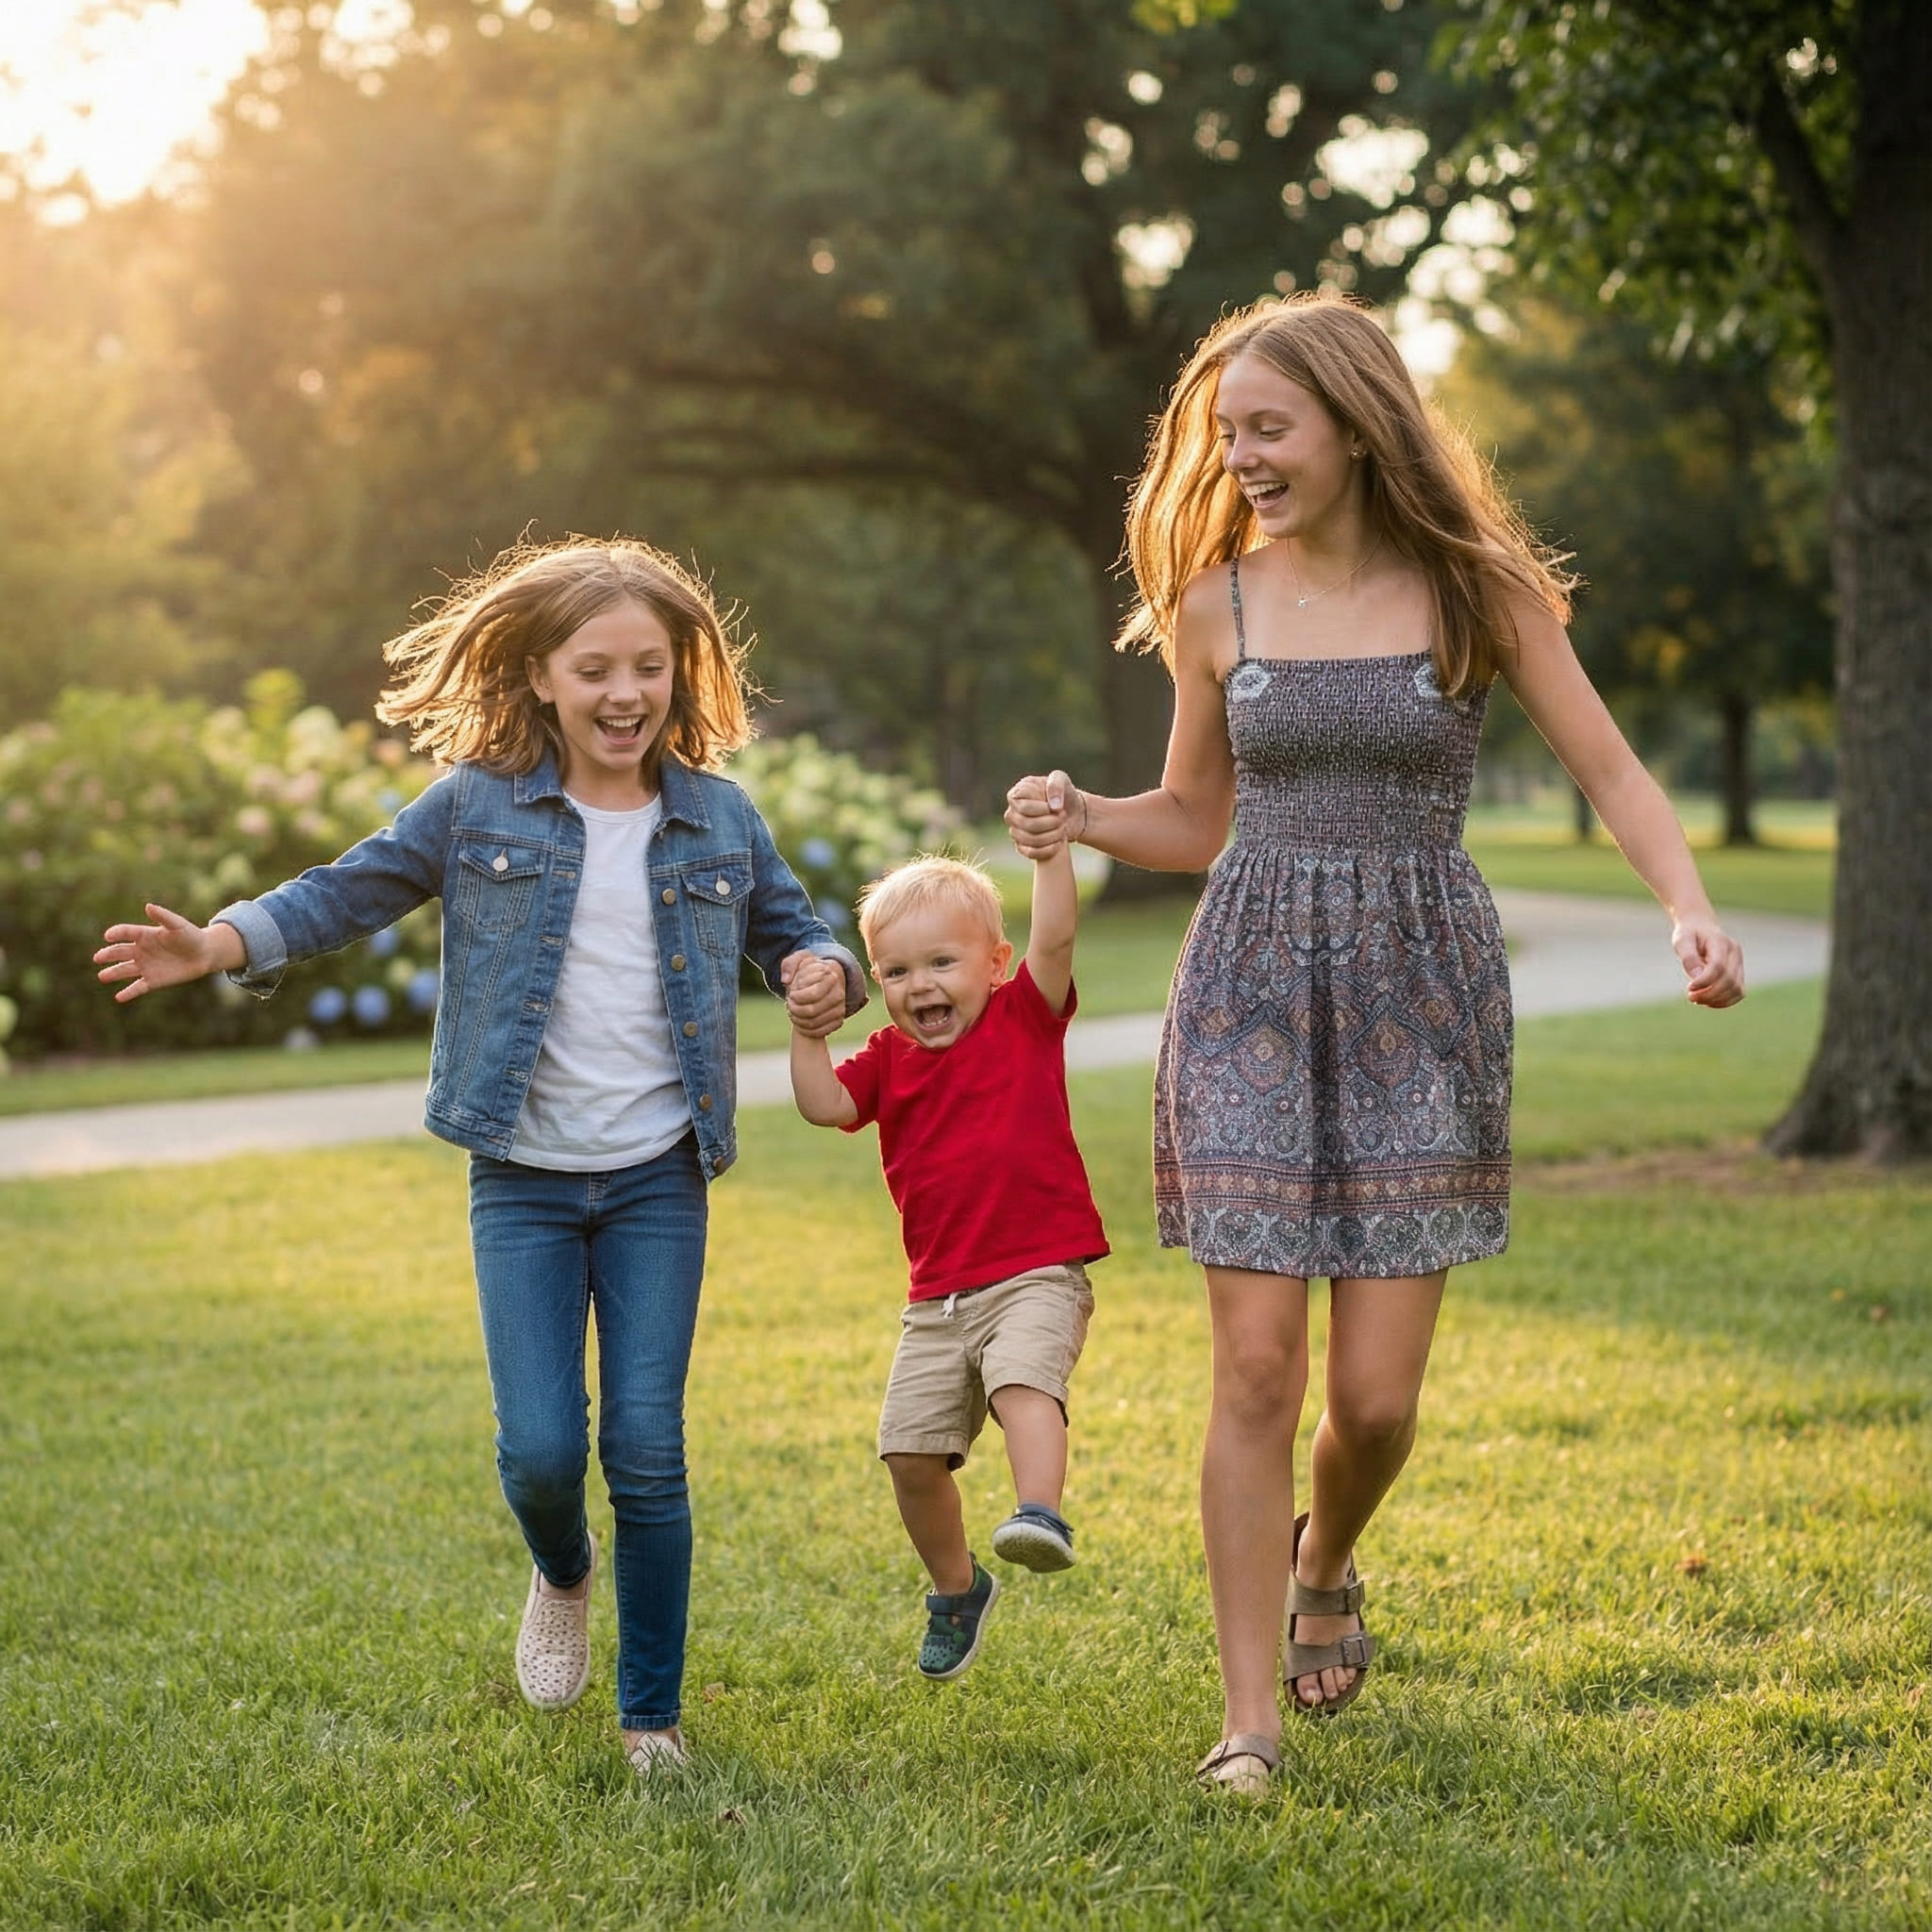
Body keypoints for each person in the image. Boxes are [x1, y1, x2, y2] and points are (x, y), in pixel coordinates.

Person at [1005, 294, 1745, 1794]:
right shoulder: (1216, 604)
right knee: (1259, 1365)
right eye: (1228, 434)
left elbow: (1608, 765)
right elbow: (1199, 817)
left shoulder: (1478, 592)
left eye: (1270, 429)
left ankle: (1324, 1554)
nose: (1244, 457)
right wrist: (1085, 815)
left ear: (1355, 420)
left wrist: (1689, 907)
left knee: (1382, 1399)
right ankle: (1246, 1725)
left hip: (1424, 994)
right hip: (1247, 995)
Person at [93, 538, 863, 1778]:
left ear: (681, 673)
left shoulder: (720, 815)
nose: (625, 694)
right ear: (543, 676)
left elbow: (798, 935)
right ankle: (563, 1569)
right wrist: (225, 943)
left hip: (660, 1175)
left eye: (649, 667)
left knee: (649, 1445)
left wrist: (826, 971)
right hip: (522, 1178)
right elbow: (345, 892)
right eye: (595, 667)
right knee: (544, 1452)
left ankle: (650, 1718)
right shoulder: (477, 805)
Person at [785, 847, 1108, 1680]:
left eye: (941, 962)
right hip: (937, 1298)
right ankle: (956, 1589)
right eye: (896, 971)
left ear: (996, 964)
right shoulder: (890, 1060)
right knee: (908, 1454)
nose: (919, 985)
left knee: (1021, 1386)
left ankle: (1041, 1513)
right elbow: (825, 1106)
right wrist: (806, 1033)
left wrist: (1051, 855)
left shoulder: (1024, 1015)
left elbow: (1060, 935)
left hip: (1037, 1270)